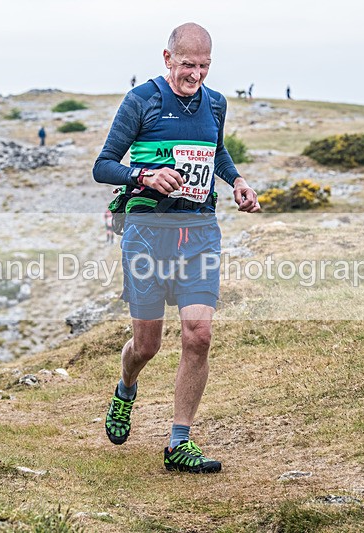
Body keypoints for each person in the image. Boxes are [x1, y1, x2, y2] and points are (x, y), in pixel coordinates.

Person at [93, 22, 260, 473]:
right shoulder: (141, 101)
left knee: (199, 335)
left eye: (205, 66)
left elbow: (216, 151)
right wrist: (143, 176)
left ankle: (179, 442)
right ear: (167, 58)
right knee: (146, 345)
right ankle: (126, 386)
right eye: (188, 65)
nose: (197, 76)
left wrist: (238, 181)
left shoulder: (216, 103)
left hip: (200, 231)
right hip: (148, 232)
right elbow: (103, 165)